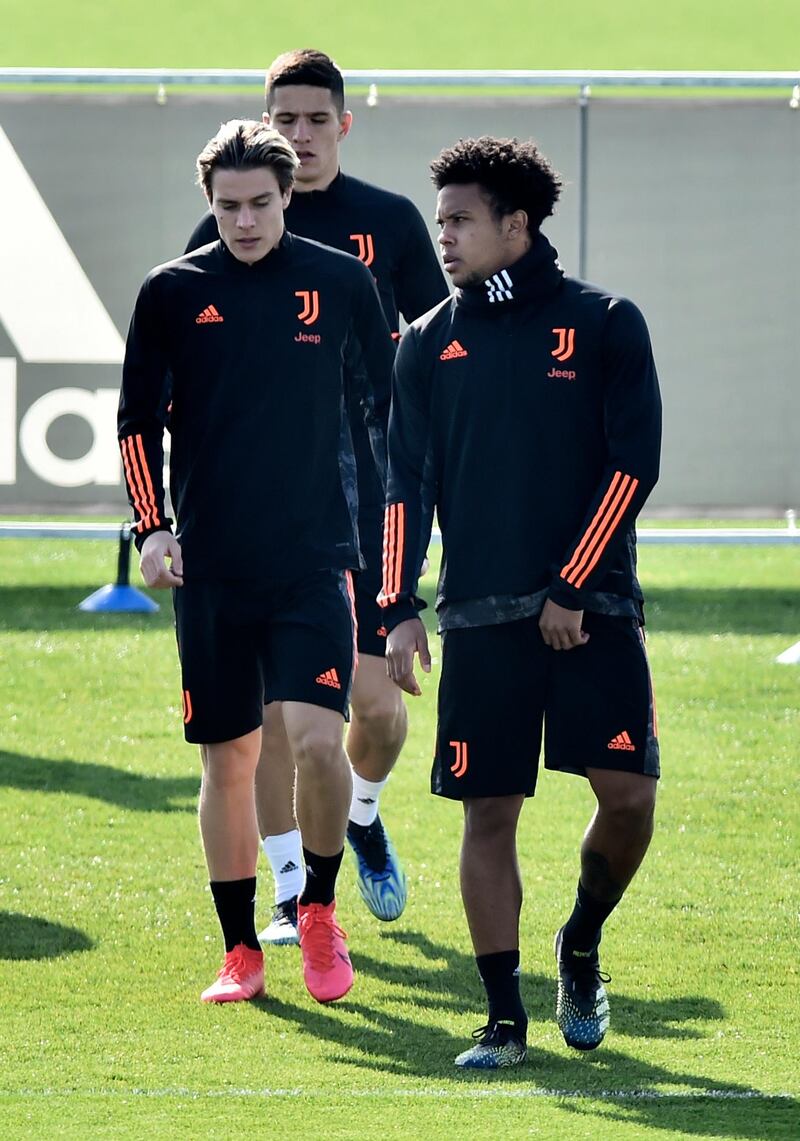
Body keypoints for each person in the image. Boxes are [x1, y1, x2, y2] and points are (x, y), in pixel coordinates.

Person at [379, 136, 662, 1068]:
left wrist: (575, 586)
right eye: (441, 221)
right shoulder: (426, 341)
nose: (446, 238)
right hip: (478, 618)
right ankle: (504, 1019)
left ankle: (579, 945)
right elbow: (403, 484)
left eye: (462, 220)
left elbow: (633, 463)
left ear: (517, 225)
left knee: (627, 799)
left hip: (596, 610)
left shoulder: (609, 321)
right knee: (486, 813)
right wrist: (398, 603)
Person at [118, 119, 395, 1005]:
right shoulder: (169, 292)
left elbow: (384, 415)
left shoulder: (340, 282)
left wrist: (393, 548)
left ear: (288, 197)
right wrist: (151, 528)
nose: (245, 221)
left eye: (261, 204)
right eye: (228, 206)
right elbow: (134, 423)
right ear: (209, 202)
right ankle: (241, 949)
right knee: (227, 762)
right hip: (212, 570)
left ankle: (316, 908)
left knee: (318, 743)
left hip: (316, 559)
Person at [186, 49, 449, 944]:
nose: (298, 133)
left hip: (367, 500)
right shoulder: (216, 235)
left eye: (313, 118)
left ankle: (363, 815)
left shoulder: (388, 223)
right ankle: (293, 889)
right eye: (282, 118)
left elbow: (428, 353)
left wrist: (424, 481)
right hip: (265, 523)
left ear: (343, 122)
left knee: (375, 710)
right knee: (267, 726)